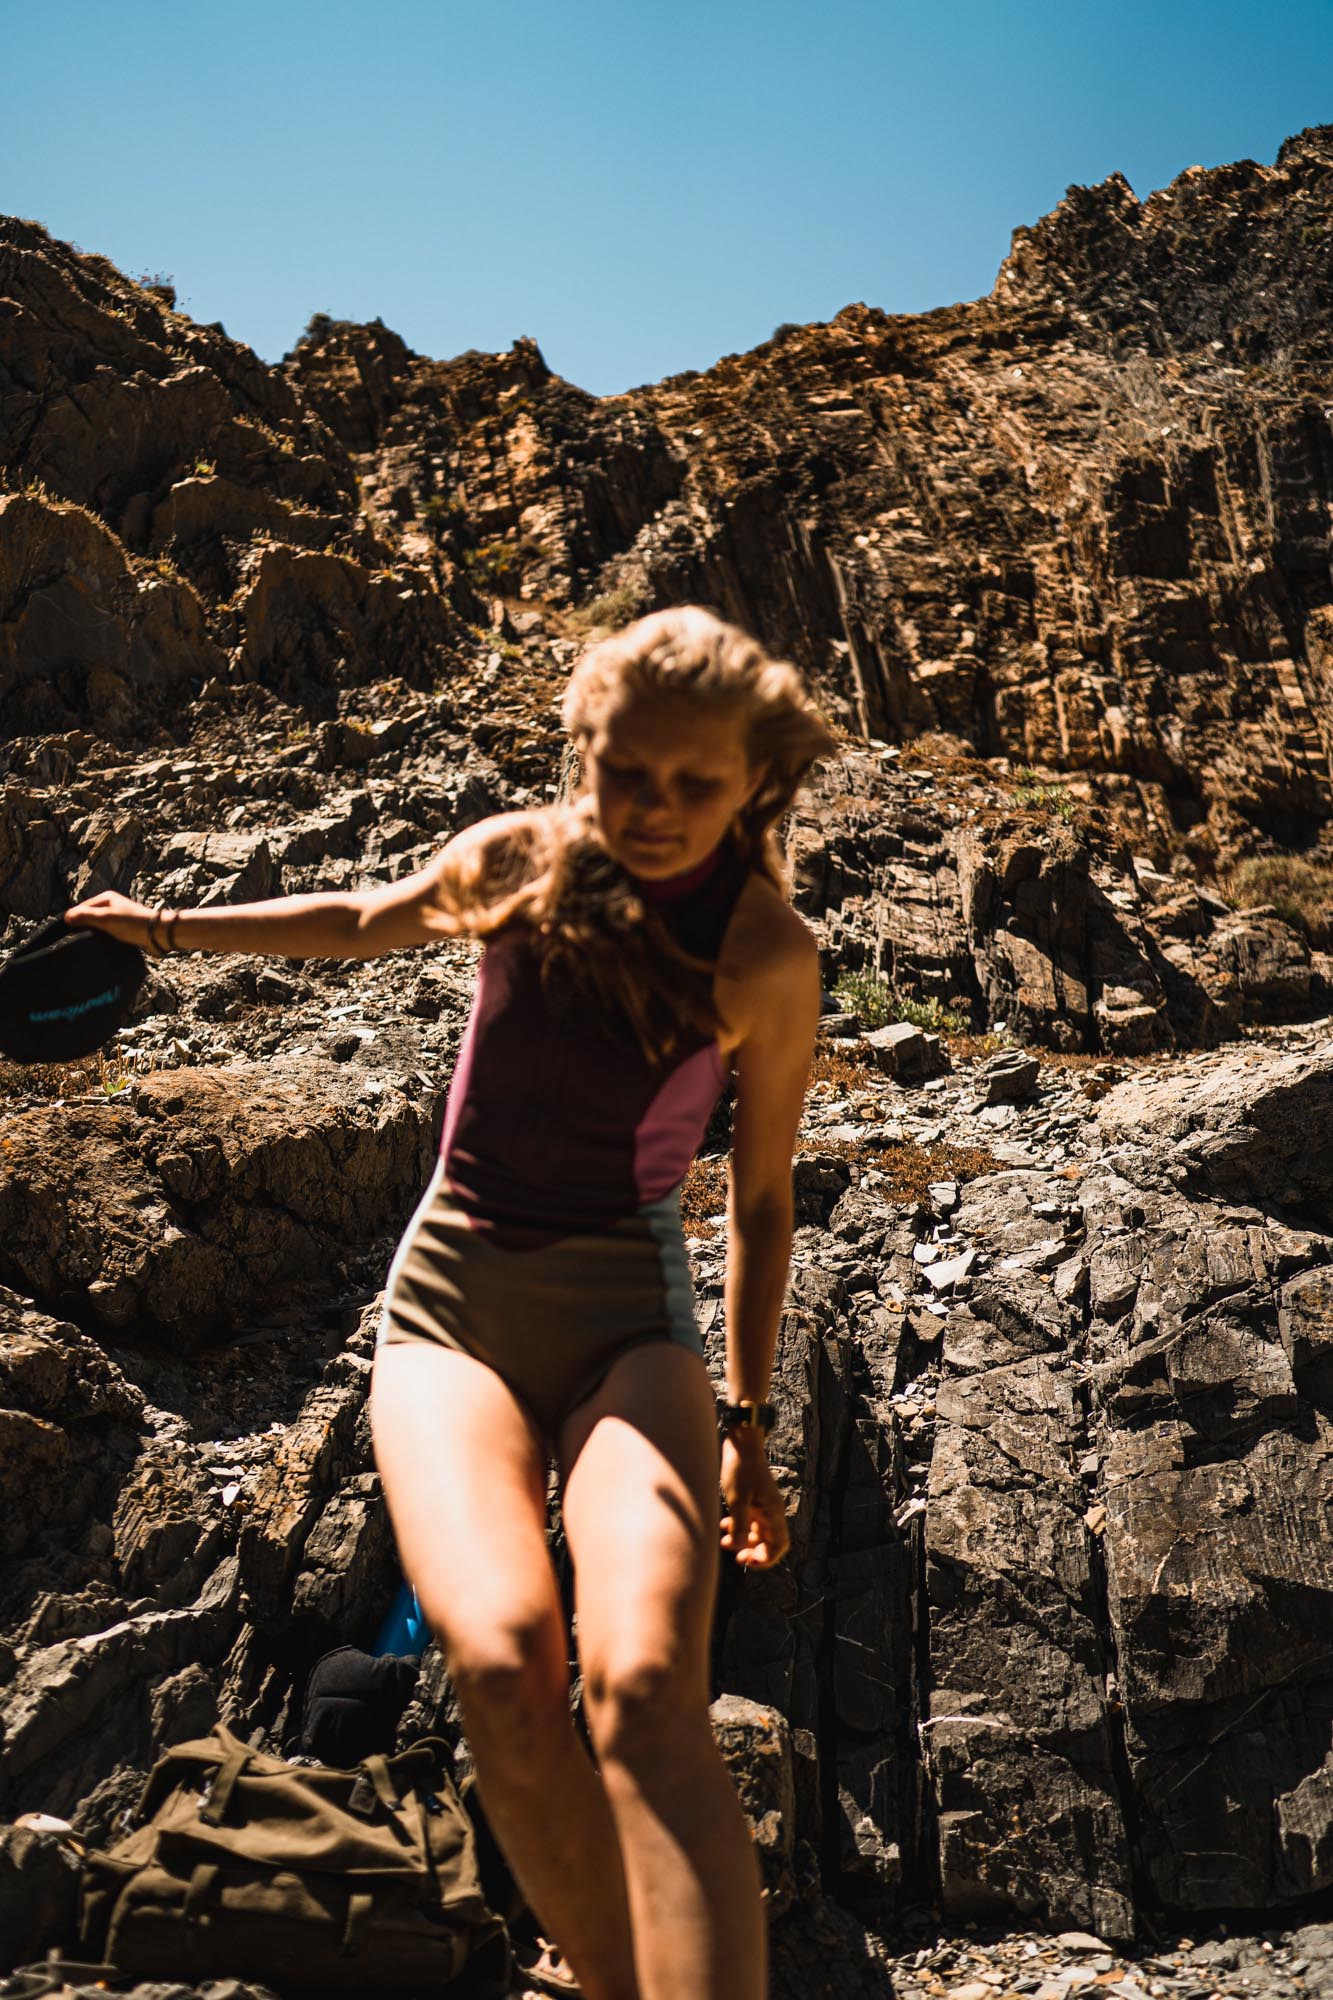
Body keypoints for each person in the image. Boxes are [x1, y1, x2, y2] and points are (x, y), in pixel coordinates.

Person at [66, 605, 833, 2000]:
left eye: (695, 781)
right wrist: (160, 924)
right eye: (625, 771)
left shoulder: (766, 952)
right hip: (452, 1311)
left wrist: (749, 1422)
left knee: (644, 1688)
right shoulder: (516, 861)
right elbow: (360, 919)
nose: (654, 808)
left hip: (631, 1327)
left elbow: (764, 1197)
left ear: (753, 780)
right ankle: (610, 1974)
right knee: (499, 1663)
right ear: (583, 749)